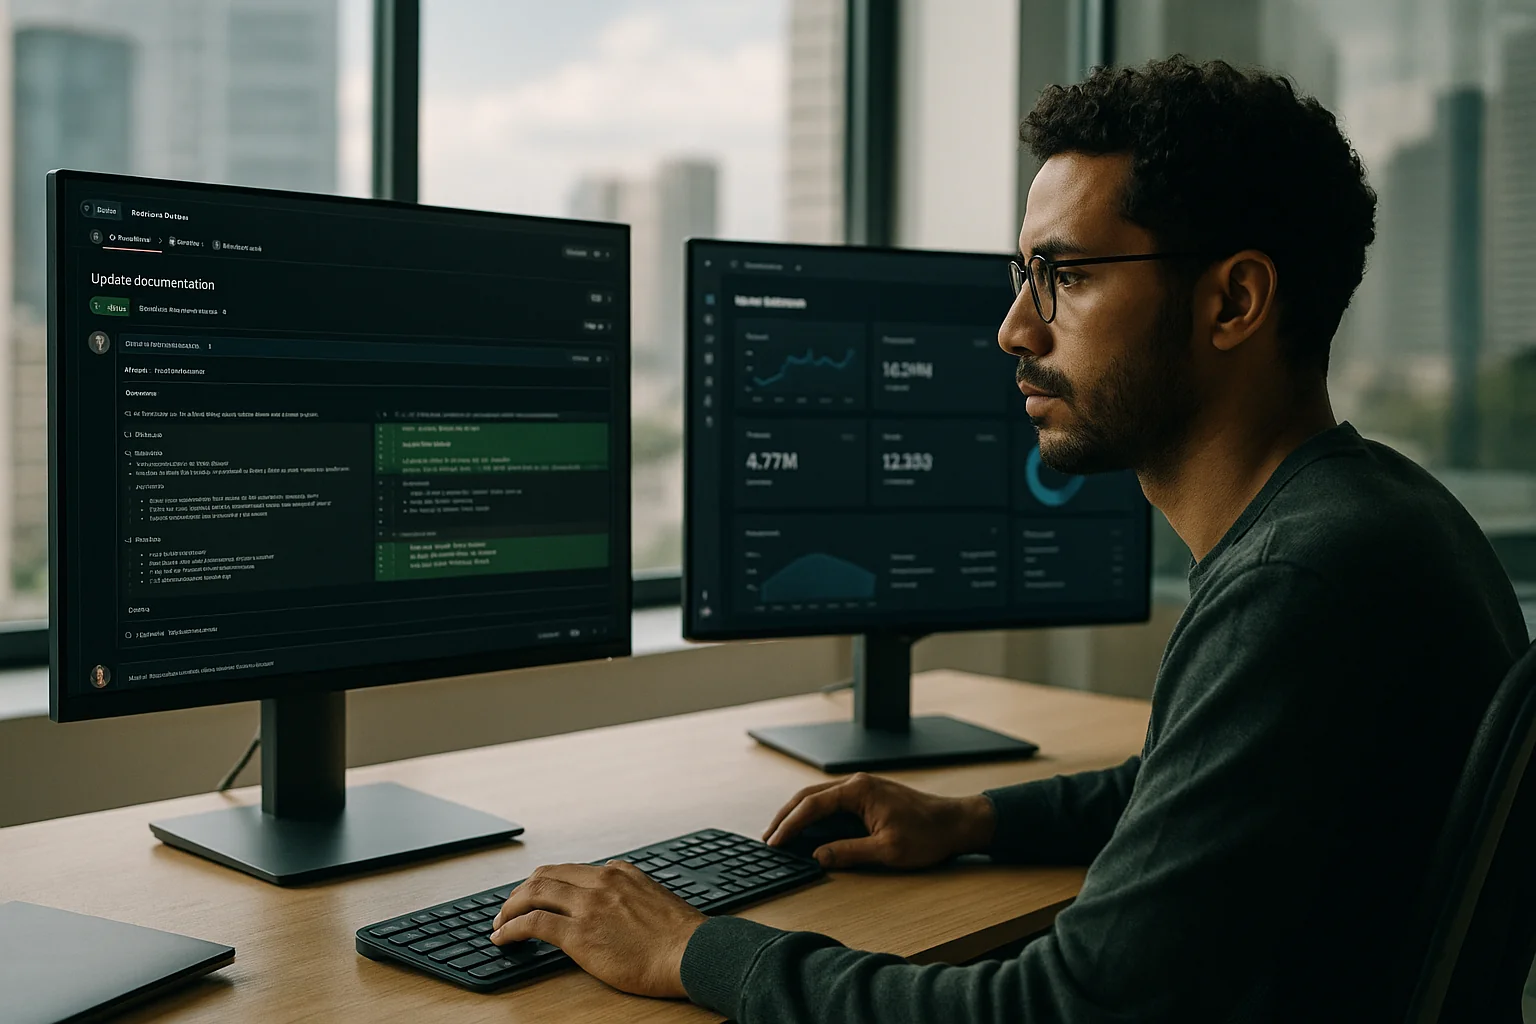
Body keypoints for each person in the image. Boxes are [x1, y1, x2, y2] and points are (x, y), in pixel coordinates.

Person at [485, 57, 1529, 1021]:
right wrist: (972, 820)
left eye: (1066, 276)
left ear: (1235, 300)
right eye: (1021, 275)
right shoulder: (1380, 512)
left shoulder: (1297, 579)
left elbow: (1056, 1010)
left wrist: (696, 949)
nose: (1016, 329)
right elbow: (1189, 786)